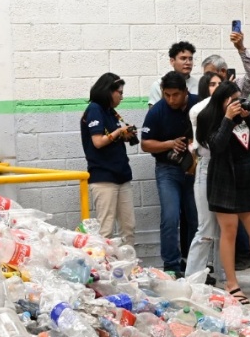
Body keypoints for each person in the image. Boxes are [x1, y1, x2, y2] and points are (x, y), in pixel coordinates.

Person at [197, 81, 250, 301]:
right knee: (230, 232)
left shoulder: (243, 114)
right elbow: (216, 146)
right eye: (234, 100)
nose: (238, 103)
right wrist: (227, 118)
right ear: (223, 100)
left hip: (247, 182)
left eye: (239, 99)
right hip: (224, 182)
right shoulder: (208, 116)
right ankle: (231, 283)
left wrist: (247, 114)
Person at [140, 71, 197, 276]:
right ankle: (171, 266)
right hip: (168, 170)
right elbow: (145, 144)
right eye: (167, 95)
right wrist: (170, 144)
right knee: (170, 217)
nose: (171, 99)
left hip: (195, 169)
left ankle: (195, 264)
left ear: (185, 92)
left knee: (195, 218)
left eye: (175, 95)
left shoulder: (198, 105)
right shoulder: (157, 111)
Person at [81, 73, 136, 245]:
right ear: (109, 91)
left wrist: (125, 135)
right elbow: (98, 142)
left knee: (128, 227)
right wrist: (119, 131)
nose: (122, 97)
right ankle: (105, 262)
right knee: (106, 230)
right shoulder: (95, 109)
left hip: (121, 175)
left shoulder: (110, 112)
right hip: (104, 177)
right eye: (120, 92)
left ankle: (128, 259)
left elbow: (110, 138)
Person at [183, 71, 224, 281]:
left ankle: (224, 277)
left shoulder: (228, 108)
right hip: (206, 166)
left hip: (226, 168)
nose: (217, 87)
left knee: (226, 228)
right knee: (206, 229)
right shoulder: (198, 110)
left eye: (220, 84)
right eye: (212, 84)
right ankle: (192, 279)